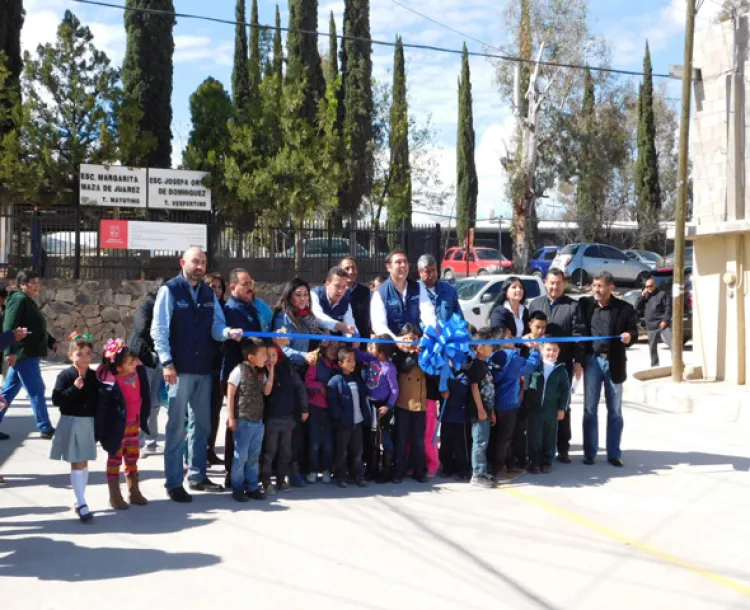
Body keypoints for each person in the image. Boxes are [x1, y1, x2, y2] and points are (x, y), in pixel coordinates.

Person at [151, 247, 243, 503]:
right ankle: (173, 482)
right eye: (195, 261)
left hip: (203, 370)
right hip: (178, 371)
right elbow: (158, 329)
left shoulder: (207, 293)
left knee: (201, 425)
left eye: (203, 262)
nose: (200, 266)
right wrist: (167, 362)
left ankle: (197, 475)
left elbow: (216, 326)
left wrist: (227, 333)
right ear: (183, 262)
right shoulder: (169, 290)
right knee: (176, 427)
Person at [575, 271, 638, 467]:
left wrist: (629, 336)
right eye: (594, 286)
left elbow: (634, 331)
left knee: (615, 411)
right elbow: (578, 330)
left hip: (614, 362)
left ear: (611, 287)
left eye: (600, 286)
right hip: (592, 361)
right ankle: (590, 453)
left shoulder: (624, 309)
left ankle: (614, 453)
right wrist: (579, 360)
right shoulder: (585, 306)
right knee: (589, 409)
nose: (596, 290)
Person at [527, 268, 583, 464]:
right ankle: (537, 450)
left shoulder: (572, 306)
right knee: (538, 407)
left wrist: (578, 362)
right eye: (551, 282)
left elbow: (578, 337)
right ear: (545, 282)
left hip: (562, 366)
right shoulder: (536, 303)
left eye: (558, 283)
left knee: (562, 408)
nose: (554, 287)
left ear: (564, 283)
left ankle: (563, 448)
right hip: (538, 367)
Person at [272, 278, 323, 486]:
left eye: (305, 295)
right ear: (289, 295)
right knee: (289, 424)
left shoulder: (308, 317)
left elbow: (317, 336)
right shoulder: (283, 316)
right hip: (288, 373)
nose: (302, 299)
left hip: (306, 372)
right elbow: (283, 347)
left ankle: (298, 466)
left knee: (303, 423)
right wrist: (303, 356)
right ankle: (285, 470)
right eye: (298, 294)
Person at [416, 253, 463, 478]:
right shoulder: (415, 291)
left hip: (446, 358)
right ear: (419, 273)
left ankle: (446, 459)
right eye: (426, 271)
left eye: (433, 269)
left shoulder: (448, 290)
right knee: (426, 412)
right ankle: (424, 458)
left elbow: (458, 319)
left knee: (447, 406)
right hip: (423, 360)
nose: (431, 274)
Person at [0, 268, 57, 440]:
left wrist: (50, 341)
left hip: (26, 353)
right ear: (22, 284)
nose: (36, 286)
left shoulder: (27, 300)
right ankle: (45, 427)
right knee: (36, 390)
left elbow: (36, 326)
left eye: (37, 282)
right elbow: (9, 325)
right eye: (33, 283)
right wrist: (10, 351)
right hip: (23, 353)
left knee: (8, 392)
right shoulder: (18, 300)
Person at [222, 268, 267, 486]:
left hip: (252, 373)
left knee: (252, 425)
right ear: (232, 287)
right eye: (244, 284)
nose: (250, 287)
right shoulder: (232, 310)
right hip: (237, 375)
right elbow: (249, 342)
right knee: (237, 424)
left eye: (251, 282)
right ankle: (233, 475)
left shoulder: (250, 307)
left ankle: (248, 476)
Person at [96, 338, 151, 510]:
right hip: (117, 428)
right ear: (118, 367)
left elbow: (136, 360)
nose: (135, 363)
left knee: (132, 457)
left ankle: (134, 491)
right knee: (115, 458)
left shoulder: (136, 372)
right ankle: (114, 495)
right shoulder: (111, 381)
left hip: (134, 424)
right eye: (130, 362)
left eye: (135, 361)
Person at [50, 332, 99, 522]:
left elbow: (97, 400)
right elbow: (56, 399)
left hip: (88, 423)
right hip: (71, 421)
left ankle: (80, 500)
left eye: (88, 353)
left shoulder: (94, 376)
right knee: (77, 461)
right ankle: (81, 501)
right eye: (79, 354)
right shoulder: (66, 375)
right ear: (71, 356)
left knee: (84, 461)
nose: (84, 357)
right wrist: (74, 389)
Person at [489, 327, 541, 478]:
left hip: (496, 400)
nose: (513, 338)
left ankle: (505, 464)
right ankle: (498, 467)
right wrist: (536, 350)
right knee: (505, 437)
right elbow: (529, 367)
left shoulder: (494, 355)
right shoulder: (511, 356)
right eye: (509, 336)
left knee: (499, 435)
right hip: (508, 402)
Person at [225, 339, 272, 503]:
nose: (266, 357)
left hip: (258, 421)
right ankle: (237, 488)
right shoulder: (239, 370)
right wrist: (231, 417)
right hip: (243, 420)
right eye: (263, 354)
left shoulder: (261, 373)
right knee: (241, 456)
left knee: (253, 456)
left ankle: (252, 487)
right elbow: (230, 394)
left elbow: (266, 391)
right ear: (251, 357)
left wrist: (271, 372)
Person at [261, 346, 309, 494]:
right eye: (267, 355)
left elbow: (300, 387)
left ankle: (281, 480)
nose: (271, 359)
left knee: (285, 451)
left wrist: (304, 408)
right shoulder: (262, 372)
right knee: (270, 452)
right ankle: (266, 481)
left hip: (288, 418)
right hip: (271, 420)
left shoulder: (288, 370)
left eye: (274, 355)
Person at [354, 337, 399, 482]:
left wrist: (388, 406)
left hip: (384, 407)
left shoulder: (389, 369)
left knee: (385, 439)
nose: (370, 349)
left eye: (373, 347)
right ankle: (372, 470)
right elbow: (358, 355)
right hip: (370, 405)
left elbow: (394, 390)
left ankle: (386, 471)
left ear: (381, 351)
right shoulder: (371, 359)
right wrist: (355, 346)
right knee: (372, 439)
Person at [127, 279, 164, 455]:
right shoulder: (146, 305)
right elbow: (142, 329)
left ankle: (151, 441)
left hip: (159, 360)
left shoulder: (167, 309)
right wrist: (157, 346)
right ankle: (138, 441)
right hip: (143, 357)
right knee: (143, 401)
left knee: (155, 402)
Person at [524, 340, 570, 474]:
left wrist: (562, 408)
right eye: (548, 349)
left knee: (549, 436)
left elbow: (565, 391)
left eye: (554, 350)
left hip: (551, 409)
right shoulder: (535, 366)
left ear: (559, 352)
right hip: (535, 409)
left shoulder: (561, 370)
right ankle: (534, 462)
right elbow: (526, 384)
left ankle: (547, 462)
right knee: (534, 436)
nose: (551, 353)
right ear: (542, 350)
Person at [327, 346, 370, 488]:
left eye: (354, 360)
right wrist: (340, 417)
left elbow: (362, 399)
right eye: (349, 361)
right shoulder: (335, 381)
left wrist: (365, 415)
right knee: (342, 452)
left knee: (358, 452)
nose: (353, 363)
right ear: (340, 363)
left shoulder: (356, 379)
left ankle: (358, 475)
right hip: (343, 424)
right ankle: (341, 476)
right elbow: (332, 403)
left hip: (357, 422)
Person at [370, 248, 436, 341]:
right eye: (398, 262)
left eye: (405, 261)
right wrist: (397, 341)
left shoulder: (418, 288)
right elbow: (379, 326)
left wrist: (427, 338)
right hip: (392, 348)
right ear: (388, 267)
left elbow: (429, 315)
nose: (403, 265)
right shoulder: (380, 293)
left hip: (417, 345)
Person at [392, 324, 428, 484]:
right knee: (401, 439)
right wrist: (414, 355)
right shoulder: (398, 354)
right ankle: (398, 471)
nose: (412, 342)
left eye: (415, 338)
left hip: (420, 404)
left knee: (419, 441)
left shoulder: (424, 353)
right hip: (403, 404)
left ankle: (418, 471)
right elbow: (404, 367)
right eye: (409, 338)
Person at [304, 340, 339, 484]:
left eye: (336, 348)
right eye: (330, 346)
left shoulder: (337, 367)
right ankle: (312, 470)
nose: (333, 350)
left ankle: (326, 469)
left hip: (330, 409)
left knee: (329, 442)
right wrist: (321, 387)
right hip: (315, 407)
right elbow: (308, 382)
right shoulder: (316, 363)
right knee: (314, 441)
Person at [466, 330, 497, 488]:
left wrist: (492, 411)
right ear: (479, 348)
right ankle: (477, 474)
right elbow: (474, 387)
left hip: (487, 409)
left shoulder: (485, 364)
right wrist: (480, 409)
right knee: (479, 442)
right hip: (479, 411)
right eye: (489, 345)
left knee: (484, 441)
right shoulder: (477, 365)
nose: (492, 347)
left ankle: (483, 471)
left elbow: (489, 390)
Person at [204, 272, 227, 466]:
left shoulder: (226, 309)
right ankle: (197, 453)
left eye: (219, 287)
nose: (216, 291)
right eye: (212, 287)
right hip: (204, 367)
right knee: (201, 413)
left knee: (215, 411)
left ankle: (210, 450)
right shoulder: (203, 309)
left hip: (219, 367)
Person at [310, 267, 359, 336]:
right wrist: (338, 325)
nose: (341, 291)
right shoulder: (314, 294)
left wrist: (354, 335)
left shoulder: (346, 299)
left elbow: (349, 322)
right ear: (327, 284)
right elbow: (317, 316)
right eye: (337, 286)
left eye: (344, 287)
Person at [637, 276, 672, 367]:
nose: (649, 288)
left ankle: (677, 363)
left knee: (672, 343)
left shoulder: (662, 294)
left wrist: (665, 320)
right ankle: (654, 365)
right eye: (647, 287)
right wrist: (642, 296)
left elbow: (668, 309)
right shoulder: (645, 297)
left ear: (654, 285)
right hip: (651, 325)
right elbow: (637, 307)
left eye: (651, 286)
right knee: (652, 347)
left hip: (662, 323)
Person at [340, 257, 372, 337]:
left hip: (362, 339)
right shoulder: (336, 292)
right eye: (347, 268)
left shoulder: (365, 291)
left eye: (353, 268)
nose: (351, 272)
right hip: (340, 340)